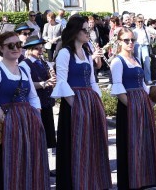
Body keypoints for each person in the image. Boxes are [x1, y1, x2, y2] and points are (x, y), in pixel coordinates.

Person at [0, 31, 49, 190]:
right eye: (10, 45)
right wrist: (7, 122)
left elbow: (33, 97)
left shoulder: (24, 71)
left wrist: (35, 116)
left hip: (29, 123)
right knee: (9, 164)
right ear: (1, 48)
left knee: (31, 162)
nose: (15, 48)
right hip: (6, 124)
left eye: (18, 44)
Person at [51, 15, 111, 190]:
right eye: (85, 30)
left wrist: (97, 102)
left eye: (89, 29)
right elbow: (62, 82)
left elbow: (92, 80)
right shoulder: (64, 52)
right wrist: (76, 106)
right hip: (73, 103)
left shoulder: (85, 52)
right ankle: (74, 183)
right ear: (75, 31)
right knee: (74, 145)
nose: (88, 33)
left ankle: (91, 180)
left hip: (89, 101)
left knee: (93, 143)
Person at [110, 28, 156, 190]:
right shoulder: (118, 61)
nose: (130, 43)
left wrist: (151, 99)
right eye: (126, 40)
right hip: (129, 106)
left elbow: (143, 84)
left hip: (142, 104)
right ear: (119, 42)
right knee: (131, 143)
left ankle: (143, 179)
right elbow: (118, 90)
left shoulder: (135, 59)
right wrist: (132, 107)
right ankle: (130, 182)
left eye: (132, 40)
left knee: (144, 141)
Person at [21, 35, 57, 159]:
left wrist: (52, 79)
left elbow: (51, 81)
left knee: (47, 137)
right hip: (34, 105)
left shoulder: (44, 63)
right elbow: (28, 85)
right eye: (37, 48)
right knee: (36, 137)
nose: (40, 51)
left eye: (41, 48)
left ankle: (44, 167)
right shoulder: (24, 65)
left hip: (46, 102)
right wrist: (44, 83)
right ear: (29, 50)